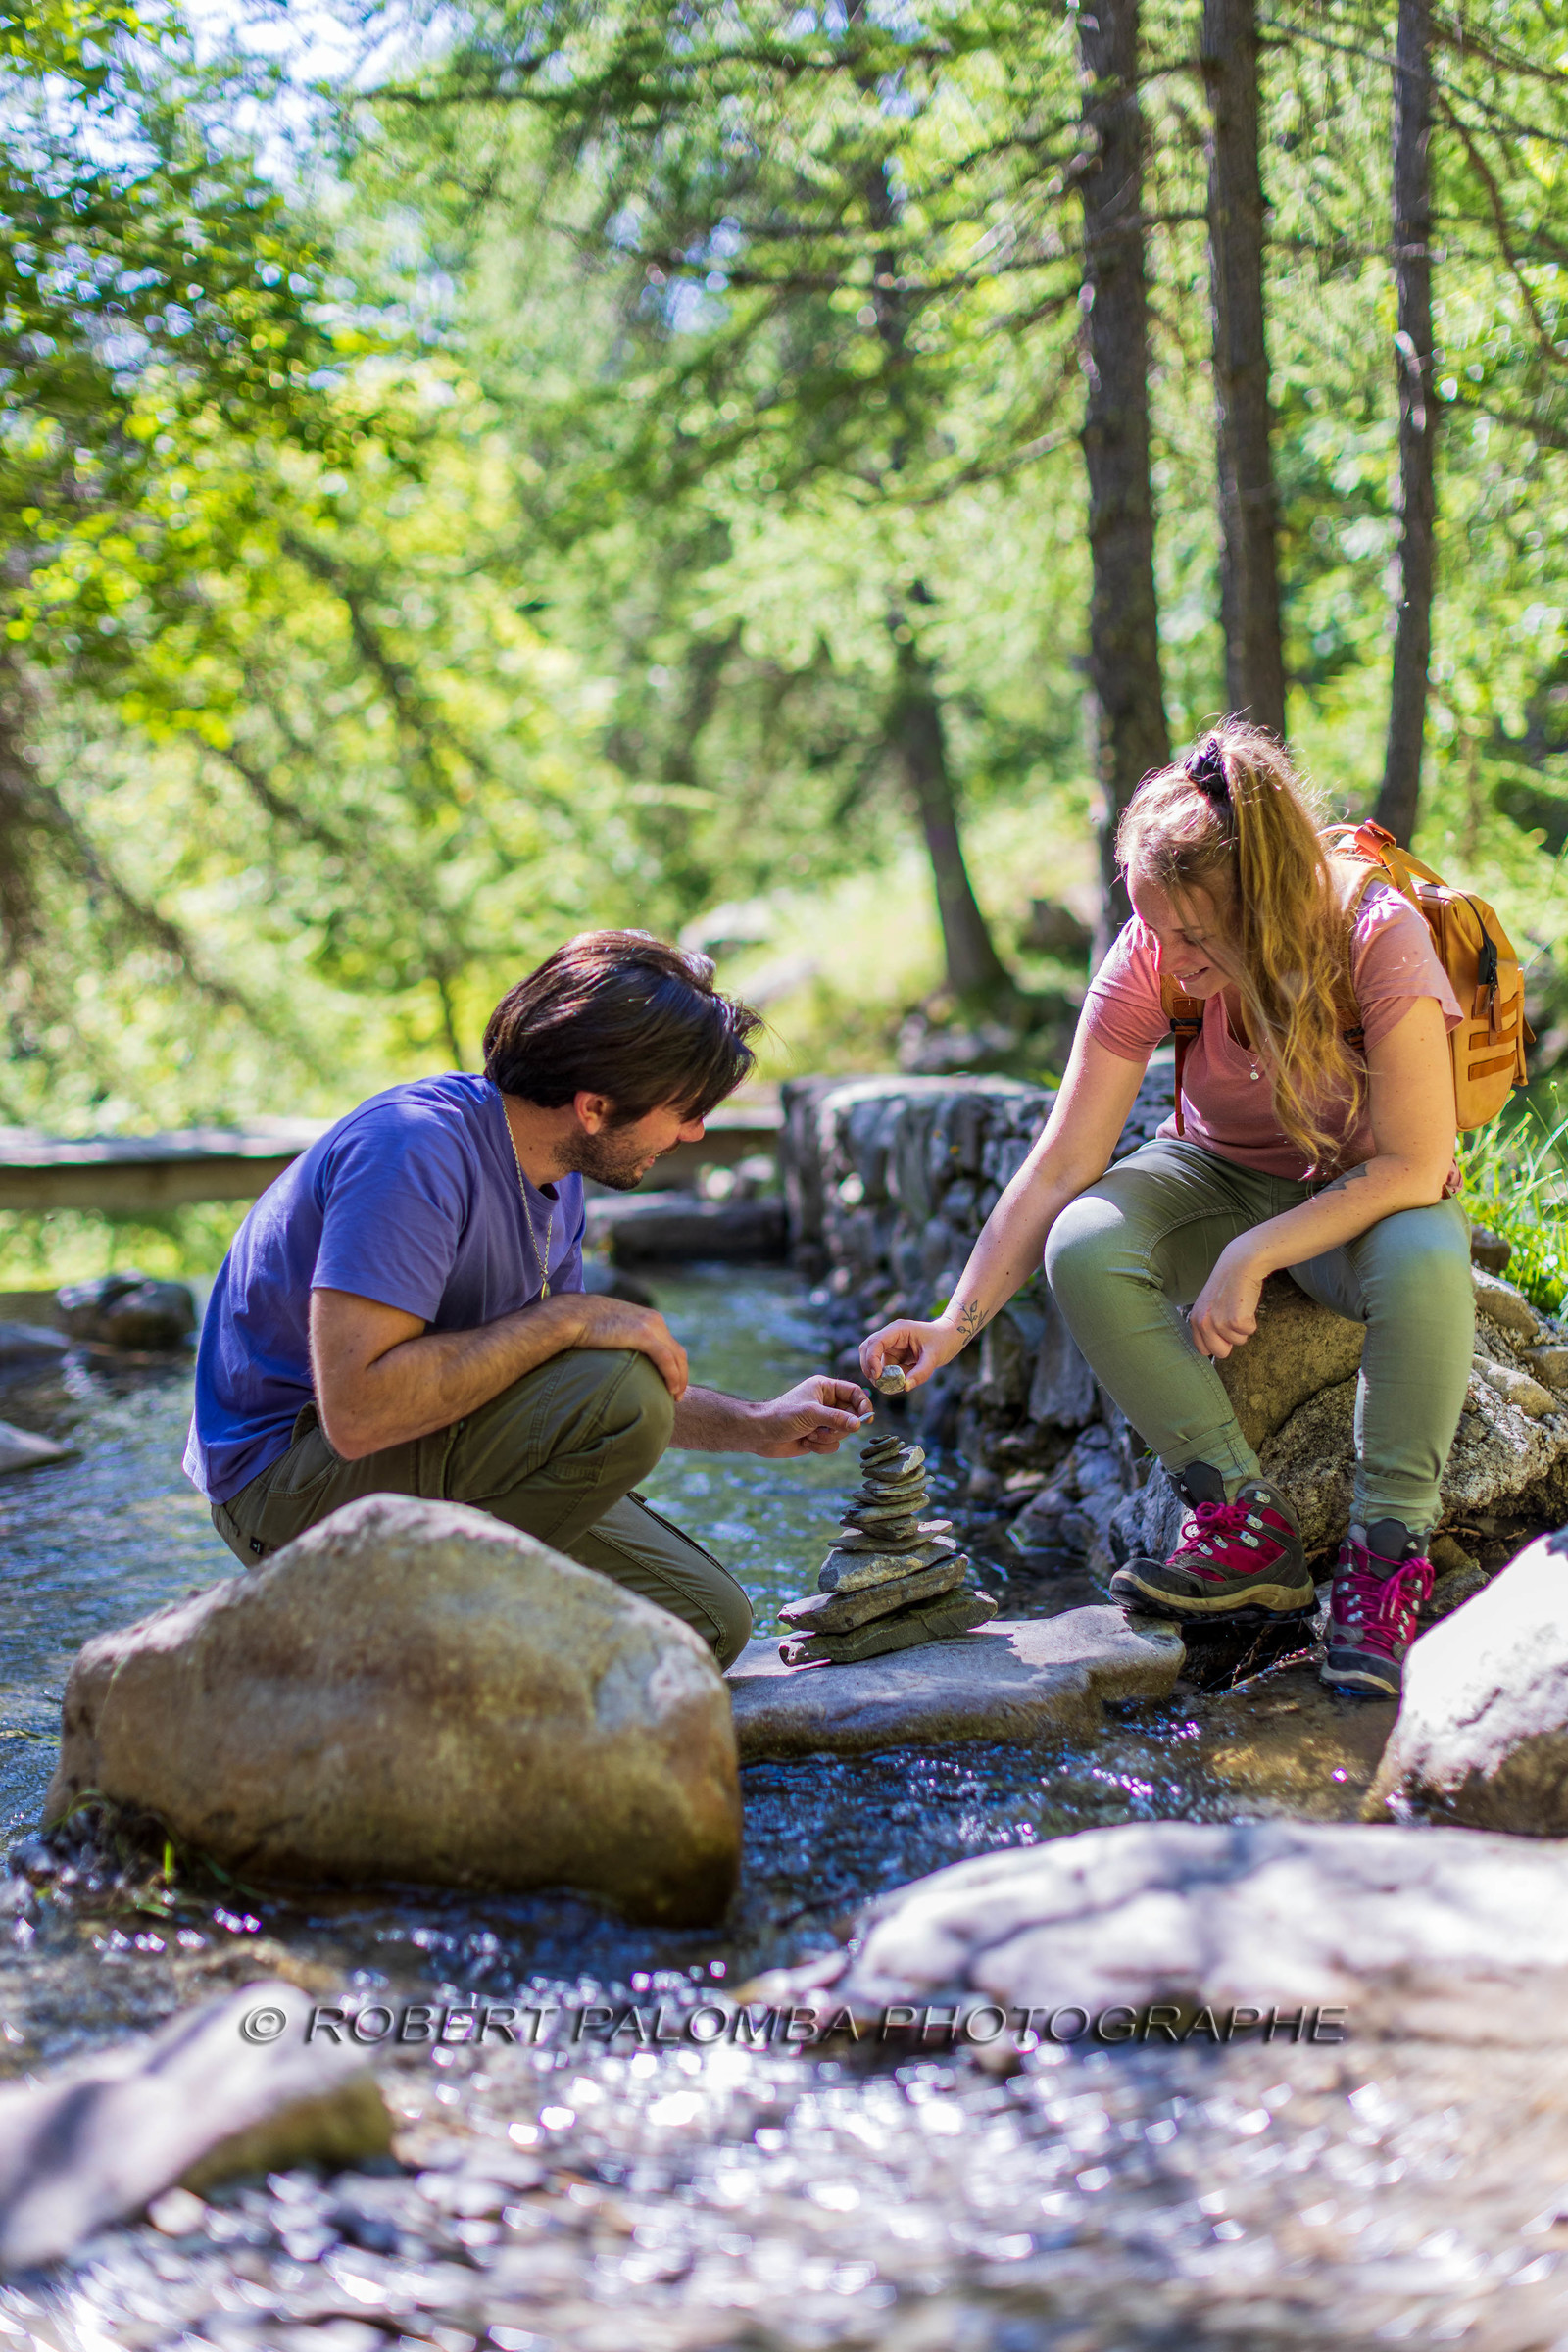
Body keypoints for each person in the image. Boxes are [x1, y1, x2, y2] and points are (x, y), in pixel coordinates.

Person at [861, 724, 1473, 1699]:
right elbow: (1063, 1162)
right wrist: (953, 1324)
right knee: (1085, 1242)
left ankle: (1385, 1559)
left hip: (1362, 1199)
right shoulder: (1154, 947)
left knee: (1429, 1264)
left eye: (1192, 935)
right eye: (1154, 928)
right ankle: (1243, 1529)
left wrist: (1252, 1256)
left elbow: (1414, 1164)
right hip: (1212, 1176)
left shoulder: (1375, 933)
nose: (1170, 956)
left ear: (1263, 900)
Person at [185, 930, 870, 1670]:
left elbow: (558, 1395)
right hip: (285, 1488)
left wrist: (755, 1424)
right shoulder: (411, 1151)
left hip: (413, 1448)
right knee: (625, 1390)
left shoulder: (555, 1174)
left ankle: (464, 1658)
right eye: (685, 1108)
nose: (695, 1132)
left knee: (701, 1625)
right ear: (595, 1106)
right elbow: (357, 1414)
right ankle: (371, 1642)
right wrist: (569, 1318)